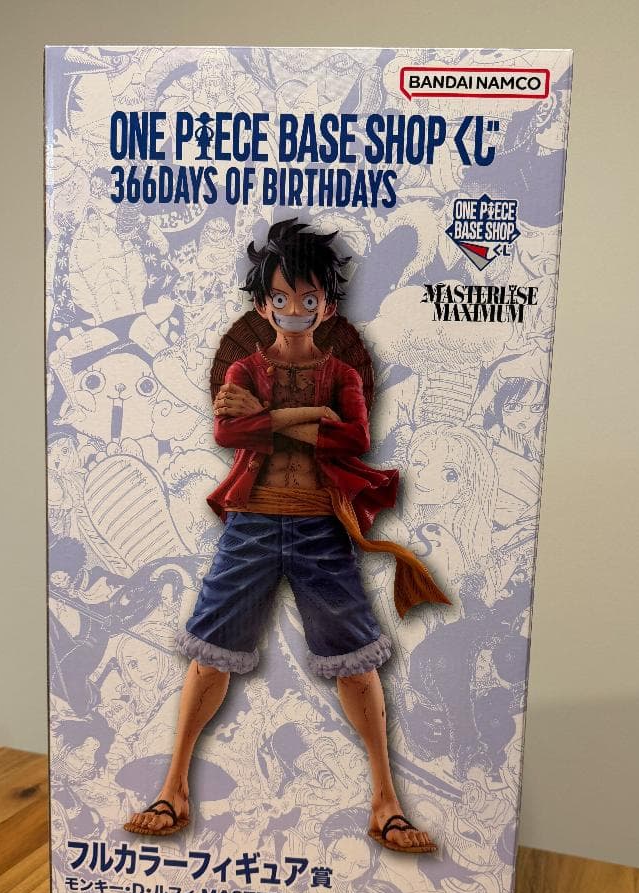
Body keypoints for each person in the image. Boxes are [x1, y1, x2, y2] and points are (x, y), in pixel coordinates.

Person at [124, 219, 448, 852]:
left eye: (307, 297)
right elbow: (228, 433)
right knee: (210, 651)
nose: (294, 308)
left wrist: (274, 419)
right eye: (280, 297)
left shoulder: (343, 375)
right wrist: (308, 414)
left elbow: (354, 438)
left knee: (355, 658)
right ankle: (173, 788)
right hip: (251, 522)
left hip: (322, 528)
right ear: (261, 304)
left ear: (327, 305)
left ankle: (386, 800)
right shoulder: (245, 368)